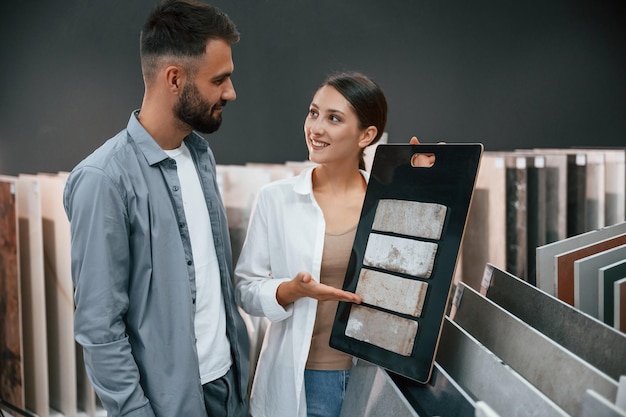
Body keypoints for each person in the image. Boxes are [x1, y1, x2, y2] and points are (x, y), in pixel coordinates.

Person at [63, 1, 249, 416]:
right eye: (219, 80)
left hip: (228, 390)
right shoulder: (103, 179)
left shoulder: (200, 156)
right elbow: (99, 328)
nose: (230, 92)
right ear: (174, 78)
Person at [234, 72, 390, 417]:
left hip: (377, 381)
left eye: (333, 118)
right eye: (313, 113)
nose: (316, 128)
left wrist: (429, 188)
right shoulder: (276, 199)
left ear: (367, 135)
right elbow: (245, 289)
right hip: (305, 380)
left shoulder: (389, 202)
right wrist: (291, 290)